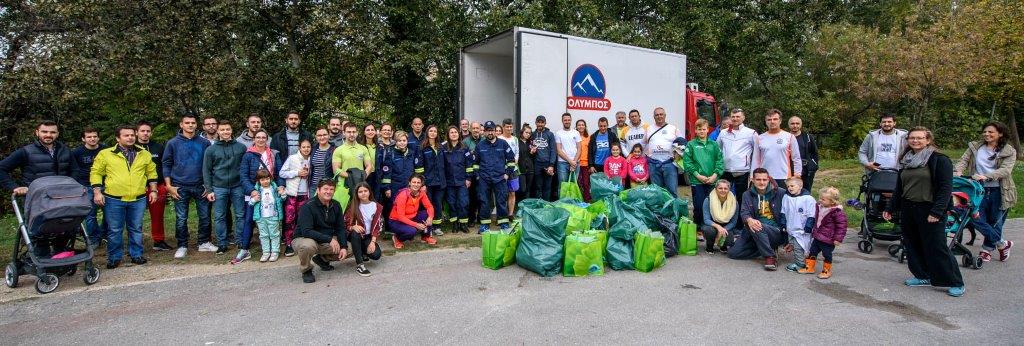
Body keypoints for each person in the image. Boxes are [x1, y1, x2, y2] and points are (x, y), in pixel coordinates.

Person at [883, 127, 965, 297]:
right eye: (912, 138)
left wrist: (937, 211)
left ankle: (955, 281)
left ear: (928, 140)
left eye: (920, 138)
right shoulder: (906, 159)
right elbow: (900, 188)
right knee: (912, 244)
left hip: (930, 208)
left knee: (937, 246)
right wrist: (890, 207)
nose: (915, 141)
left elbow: (945, 189)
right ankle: (922, 275)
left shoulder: (939, 160)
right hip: (909, 208)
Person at [0, 120, 74, 257]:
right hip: (35, 199)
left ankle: (60, 259)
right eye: (44, 131)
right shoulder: (25, 152)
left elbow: (74, 171)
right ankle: (42, 262)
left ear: (57, 134)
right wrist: (15, 187)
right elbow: (2, 168)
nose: (48, 135)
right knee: (40, 231)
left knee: (66, 226)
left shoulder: (65, 151)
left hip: (60, 198)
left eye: (52, 132)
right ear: (37, 132)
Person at [90, 125, 158, 269]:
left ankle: (136, 255)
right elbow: (96, 172)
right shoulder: (106, 154)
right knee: (115, 229)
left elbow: (151, 173)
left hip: (138, 198)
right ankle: (114, 257)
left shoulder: (144, 153)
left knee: (136, 228)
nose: (130, 138)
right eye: (126, 135)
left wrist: (153, 190)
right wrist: (97, 192)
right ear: (117, 138)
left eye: (132, 135)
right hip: (114, 199)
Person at [954, 121, 1016, 263]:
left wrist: (986, 176)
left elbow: (1005, 170)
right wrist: (958, 170)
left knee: (994, 221)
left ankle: (986, 250)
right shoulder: (975, 147)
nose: (986, 134)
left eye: (991, 132)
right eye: (985, 132)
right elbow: (963, 160)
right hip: (977, 189)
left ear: (1000, 134)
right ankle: (1002, 244)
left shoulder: (1009, 150)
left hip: (999, 190)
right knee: (974, 217)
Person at [162, 114, 212, 259]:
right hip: (179, 186)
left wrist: (208, 185)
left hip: (201, 186)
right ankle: (182, 245)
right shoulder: (172, 143)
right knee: (181, 218)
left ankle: (203, 242)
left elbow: (209, 166)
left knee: (205, 216)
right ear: (181, 125)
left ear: (197, 125)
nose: (190, 125)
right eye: (187, 123)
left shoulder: (204, 143)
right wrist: (168, 186)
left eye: (193, 123)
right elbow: (166, 164)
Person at [236, 129, 284, 264]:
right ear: (254, 139)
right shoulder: (248, 155)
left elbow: (279, 173)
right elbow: (243, 175)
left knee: (273, 221)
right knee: (249, 221)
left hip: (271, 192)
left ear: (267, 139)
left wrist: (280, 186)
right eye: (258, 137)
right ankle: (245, 249)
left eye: (264, 137)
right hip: (255, 193)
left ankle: (274, 249)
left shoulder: (274, 154)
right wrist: (251, 190)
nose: (261, 139)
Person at [727, 168, 787, 271]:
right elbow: (744, 213)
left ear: (768, 179)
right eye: (758, 179)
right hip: (754, 230)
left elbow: (799, 195)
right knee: (733, 253)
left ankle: (769, 257)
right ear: (753, 180)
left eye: (764, 179)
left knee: (758, 225)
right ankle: (768, 247)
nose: (762, 182)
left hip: (776, 231)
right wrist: (749, 219)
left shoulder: (780, 192)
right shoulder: (747, 194)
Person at [203, 120, 248, 254]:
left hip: (237, 186)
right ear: (218, 131)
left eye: (227, 129)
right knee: (219, 216)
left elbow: (244, 167)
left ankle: (240, 240)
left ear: (231, 130)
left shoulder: (241, 147)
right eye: (222, 130)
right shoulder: (211, 150)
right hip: (219, 187)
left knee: (240, 215)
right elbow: (206, 170)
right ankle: (222, 243)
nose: (225, 132)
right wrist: (209, 189)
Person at [293, 179, 349, 283]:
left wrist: (344, 247)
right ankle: (306, 270)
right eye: (325, 189)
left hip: (324, 239)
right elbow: (307, 231)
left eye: (331, 189)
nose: (328, 192)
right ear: (318, 190)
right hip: (304, 238)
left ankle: (322, 259)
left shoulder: (336, 205)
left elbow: (340, 228)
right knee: (307, 246)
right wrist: (330, 240)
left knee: (349, 249)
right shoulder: (308, 206)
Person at [798, 187, 848, 279]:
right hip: (817, 236)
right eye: (820, 198)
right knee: (812, 252)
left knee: (827, 254)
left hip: (828, 239)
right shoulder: (820, 207)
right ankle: (809, 267)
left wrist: (838, 239)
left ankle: (826, 271)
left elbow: (842, 226)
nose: (820, 200)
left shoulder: (837, 212)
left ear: (832, 201)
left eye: (823, 199)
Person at [475, 121, 516, 232]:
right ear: (485, 132)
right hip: (484, 179)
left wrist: (507, 173)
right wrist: (478, 176)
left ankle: (503, 223)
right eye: (488, 130)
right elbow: (475, 163)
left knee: (501, 200)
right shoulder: (480, 146)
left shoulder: (503, 144)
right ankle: (485, 225)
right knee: (484, 201)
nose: (490, 132)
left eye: (492, 130)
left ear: (495, 131)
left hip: (500, 178)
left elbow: (511, 160)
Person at [136, 121, 170, 251]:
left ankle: (159, 241)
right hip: (137, 187)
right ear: (137, 132)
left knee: (157, 215)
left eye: (148, 131)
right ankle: (136, 243)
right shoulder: (131, 147)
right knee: (135, 217)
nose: (145, 133)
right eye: (142, 131)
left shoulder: (158, 147)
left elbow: (164, 165)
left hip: (157, 186)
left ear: (151, 132)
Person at [71, 127, 107, 247]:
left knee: (109, 212)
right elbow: (74, 169)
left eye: (94, 136)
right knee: (90, 215)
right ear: (83, 139)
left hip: (105, 185)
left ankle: (103, 234)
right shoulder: (77, 152)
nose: (92, 139)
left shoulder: (105, 150)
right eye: (89, 137)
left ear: (98, 137)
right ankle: (94, 238)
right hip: (85, 186)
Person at [684, 118, 724, 223]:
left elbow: (719, 161)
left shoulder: (714, 144)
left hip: (712, 180)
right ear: (695, 131)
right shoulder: (691, 145)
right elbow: (687, 162)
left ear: (708, 130)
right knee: (699, 205)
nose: (701, 131)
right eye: (699, 129)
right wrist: (698, 175)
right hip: (697, 181)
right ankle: (698, 227)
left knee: (713, 204)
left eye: (704, 129)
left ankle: (711, 226)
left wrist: (715, 175)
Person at [279, 139, 312, 257]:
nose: (306, 149)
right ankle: (288, 244)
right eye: (304, 147)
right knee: (289, 220)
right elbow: (282, 173)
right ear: (299, 148)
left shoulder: (311, 159)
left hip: (305, 194)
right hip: (292, 193)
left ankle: (300, 242)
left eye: (308, 147)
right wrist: (297, 173)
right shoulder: (292, 158)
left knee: (302, 219)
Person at [753, 109, 801, 187]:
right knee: (766, 199)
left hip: (784, 176)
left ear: (780, 121)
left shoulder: (789, 137)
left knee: (782, 199)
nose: (772, 121)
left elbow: (796, 158)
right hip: (764, 177)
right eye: (769, 119)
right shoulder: (760, 138)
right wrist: (753, 175)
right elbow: (756, 159)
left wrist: (797, 175)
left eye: (775, 119)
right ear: (766, 121)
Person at [718, 108, 758, 201]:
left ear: (743, 118)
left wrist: (753, 173)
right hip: (725, 171)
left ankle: (741, 216)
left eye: (738, 116)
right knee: (723, 197)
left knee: (741, 198)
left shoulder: (751, 133)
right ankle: (724, 216)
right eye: (733, 117)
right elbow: (718, 149)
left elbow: (756, 154)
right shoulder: (723, 132)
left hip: (742, 172)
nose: (735, 119)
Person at [343, 183, 383, 277]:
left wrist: (373, 241)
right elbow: (344, 223)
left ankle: (362, 251)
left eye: (365, 191)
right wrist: (352, 227)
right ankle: (360, 265)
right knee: (355, 232)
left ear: (369, 192)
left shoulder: (376, 206)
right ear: (357, 194)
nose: (363, 193)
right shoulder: (353, 206)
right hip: (354, 236)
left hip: (368, 236)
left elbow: (378, 226)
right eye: (360, 192)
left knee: (376, 255)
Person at [389, 174, 437, 248]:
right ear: (409, 183)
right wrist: (416, 225)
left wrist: (430, 217)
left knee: (427, 213)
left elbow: (429, 207)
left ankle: (425, 236)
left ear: (421, 184)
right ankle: (397, 238)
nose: (416, 184)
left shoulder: (421, 193)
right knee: (412, 231)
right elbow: (401, 217)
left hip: (411, 217)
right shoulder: (403, 195)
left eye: (418, 183)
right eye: (414, 182)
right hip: (397, 221)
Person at [645, 107, 684, 196]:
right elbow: (644, 144)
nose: (659, 116)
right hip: (654, 164)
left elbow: (682, 143)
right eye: (657, 115)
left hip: (669, 164)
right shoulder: (648, 129)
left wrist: (678, 156)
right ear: (654, 117)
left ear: (665, 115)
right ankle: (659, 209)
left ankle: (673, 209)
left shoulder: (673, 128)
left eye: (661, 114)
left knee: (672, 190)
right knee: (657, 191)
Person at [781, 177, 816, 272]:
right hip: (790, 228)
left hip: (802, 229)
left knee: (799, 247)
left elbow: (811, 214)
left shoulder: (808, 199)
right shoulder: (786, 197)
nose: (790, 188)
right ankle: (805, 261)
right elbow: (783, 211)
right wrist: (783, 224)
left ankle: (800, 264)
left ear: (800, 186)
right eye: (788, 186)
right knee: (793, 245)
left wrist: (808, 226)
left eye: (792, 186)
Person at [443, 126, 474, 233]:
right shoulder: (444, 148)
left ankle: (463, 224)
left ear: (458, 134)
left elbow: (469, 164)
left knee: (463, 202)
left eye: (455, 132)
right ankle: (455, 224)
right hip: (449, 181)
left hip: (462, 181)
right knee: (451, 203)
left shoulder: (464, 148)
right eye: (451, 132)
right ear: (448, 134)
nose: (454, 134)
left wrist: (468, 178)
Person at [251, 169, 284, 262]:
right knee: (264, 235)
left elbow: (282, 199)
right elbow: (250, 203)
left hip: (273, 216)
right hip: (261, 218)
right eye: (262, 180)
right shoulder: (257, 190)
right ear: (258, 181)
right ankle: (266, 252)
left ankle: (275, 252)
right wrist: (254, 200)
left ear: (270, 178)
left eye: (267, 179)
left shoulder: (274, 189)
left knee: (274, 234)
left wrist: (283, 194)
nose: (265, 181)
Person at [331, 123, 374, 192]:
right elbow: (336, 169)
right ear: (344, 133)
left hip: (360, 185)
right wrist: (352, 177)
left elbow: (369, 166)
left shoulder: (363, 148)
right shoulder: (338, 150)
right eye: (349, 132)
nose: (351, 134)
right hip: (344, 186)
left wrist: (362, 176)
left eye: (354, 132)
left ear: (357, 133)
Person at [702, 180, 740, 254]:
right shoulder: (708, 200)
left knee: (729, 240)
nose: (723, 190)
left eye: (725, 188)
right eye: (720, 188)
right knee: (709, 231)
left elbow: (733, 222)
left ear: (729, 190)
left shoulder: (734, 203)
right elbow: (706, 219)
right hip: (711, 225)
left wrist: (723, 229)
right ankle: (709, 247)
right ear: (716, 189)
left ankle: (723, 246)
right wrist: (718, 227)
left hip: (727, 225)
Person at [380, 131, 419, 201]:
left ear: (407, 141)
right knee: (395, 208)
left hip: (409, 186)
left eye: (404, 140)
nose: (402, 142)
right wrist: (387, 188)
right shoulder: (390, 154)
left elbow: (416, 170)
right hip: (395, 187)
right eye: (399, 141)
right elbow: (387, 173)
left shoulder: (412, 153)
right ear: (396, 142)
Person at [555, 113, 582, 198]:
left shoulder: (576, 133)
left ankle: (572, 205)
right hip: (562, 163)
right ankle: (562, 205)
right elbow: (559, 150)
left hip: (575, 163)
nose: (567, 121)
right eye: (565, 120)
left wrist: (574, 162)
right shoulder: (558, 133)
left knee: (574, 185)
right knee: (563, 185)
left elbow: (579, 149)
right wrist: (571, 162)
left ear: (571, 120)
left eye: (568, 120)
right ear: (562, 121)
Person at [530, 115, 557, 201]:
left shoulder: (550, 134)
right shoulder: (533, 134)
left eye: (542, 122)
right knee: (538, 186)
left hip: (547, 164)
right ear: (536, 123)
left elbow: (553, 150)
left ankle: (546, 205)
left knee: (547, 186)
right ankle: (539, 205)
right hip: (537, 164)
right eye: (538, 122)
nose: (540, 124)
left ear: (545, 123)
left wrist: (551, 165)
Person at [789, 116, 820, 190]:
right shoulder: (785, 137)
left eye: (797, 123)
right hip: (790, 169)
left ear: (801, 125)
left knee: (806, 190)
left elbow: (814, 152)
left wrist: (814, 165)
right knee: (791, 190)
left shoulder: (808, 137)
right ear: (789, 125)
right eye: (792, 123)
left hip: (806, 169)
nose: (795, 126)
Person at [499, 119, 520, 215]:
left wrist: (514, 161)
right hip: (501, 170)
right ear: (503, 127)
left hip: (513, 170)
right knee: (502, 193)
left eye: (510, 126)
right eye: (507, 126)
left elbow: (517, 153)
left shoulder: (515, 139)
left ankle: (510, 214)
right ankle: (502, 215)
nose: (509, 128)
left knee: (512, 193)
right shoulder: (498, 139)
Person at [515, 124, 535, 204]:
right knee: (522, 189)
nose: (528, 134)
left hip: (530, 169)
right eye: (526, 132)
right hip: (520, 169)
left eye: (529, 133)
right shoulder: (517, 141)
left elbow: (532, 156)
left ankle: (526, 207)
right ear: (522, 132)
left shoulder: (530, 142)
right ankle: (518, 205)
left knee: (528, 190)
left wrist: (533, 152)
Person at [360, 123, 381, 199]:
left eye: (372, 130)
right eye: (368, 130)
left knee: (376, 197)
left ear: (375, 132)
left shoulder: (379, 147)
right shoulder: (360, 147)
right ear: (364, 132)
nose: (370, 132)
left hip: (377, 175)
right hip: (365, 176)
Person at [575, 119, 591, 201]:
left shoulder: (589, 137)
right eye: (579, 125)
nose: (581, 126)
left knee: (585, 183)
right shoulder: (573, 136)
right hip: (576, 163)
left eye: (582, 125)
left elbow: (591, 151)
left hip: (586, 163)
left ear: (585, 126)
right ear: (576, 127)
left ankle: (587, 199)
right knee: (576, 183)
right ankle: (577, 199)